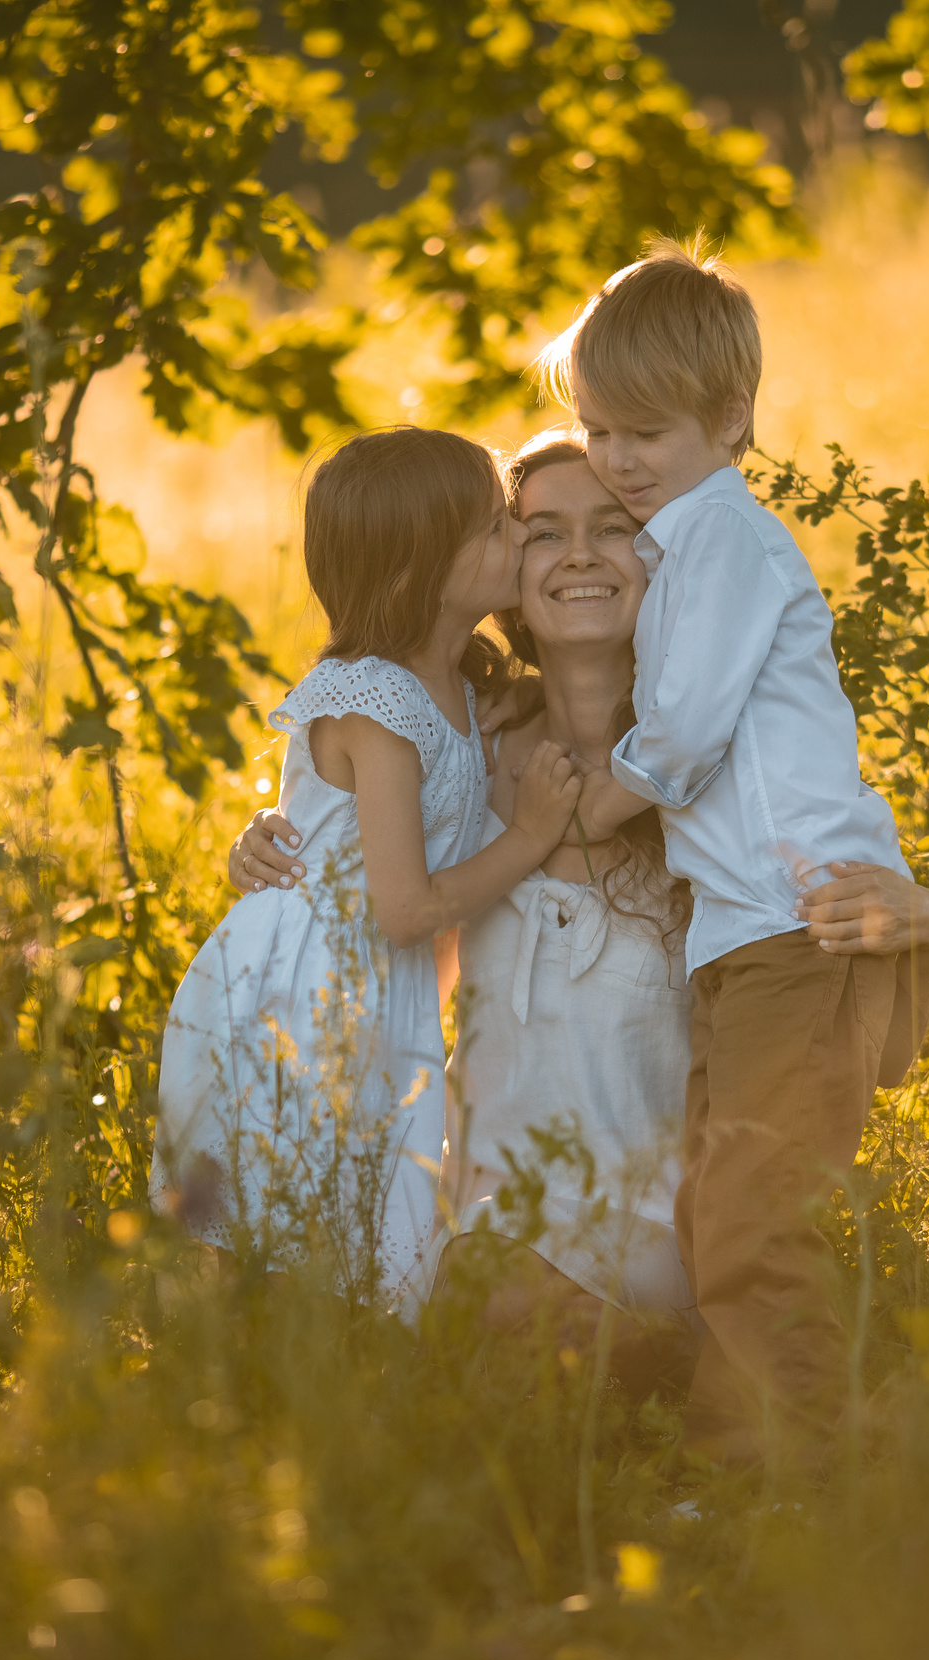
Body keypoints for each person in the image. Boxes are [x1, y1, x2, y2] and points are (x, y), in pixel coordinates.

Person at [228, 430, 929, 1402]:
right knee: (424, 1296)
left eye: (614, 527)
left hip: (676, 1226)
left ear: (666, 564)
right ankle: (665, 1385)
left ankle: (691, 1367)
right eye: (539, 532)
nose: (577, 554)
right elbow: (398, 933)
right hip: (502, 1214)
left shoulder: (738, 779)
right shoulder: (460, 753)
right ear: (495, 569)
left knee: (478, 1315)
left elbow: (871, 1050)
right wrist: (286, 845)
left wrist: (925, 912)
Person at [530, 238, 929, 1466]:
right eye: (598, 430)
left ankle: (787, 1469)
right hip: (754, 931)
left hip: (800, 928)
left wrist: (599, 801)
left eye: (642, 433)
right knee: (724, 1209)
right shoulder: (684, 539)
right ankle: (750, 1446)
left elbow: (691, 722)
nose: (616, 459)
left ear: (730, 418)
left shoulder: (720, 539)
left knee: (757, 1220)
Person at [150, 426, 587, 1315]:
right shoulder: (377, 701)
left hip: (370, 996)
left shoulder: (462, 686)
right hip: (302, 1001)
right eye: (495, 528)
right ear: (413, 572)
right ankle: (234, 1402)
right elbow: (406, 909)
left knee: (353, 1218)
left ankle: (334, 1394)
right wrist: (532, 837)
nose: (519, 538)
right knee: (282, 1235)